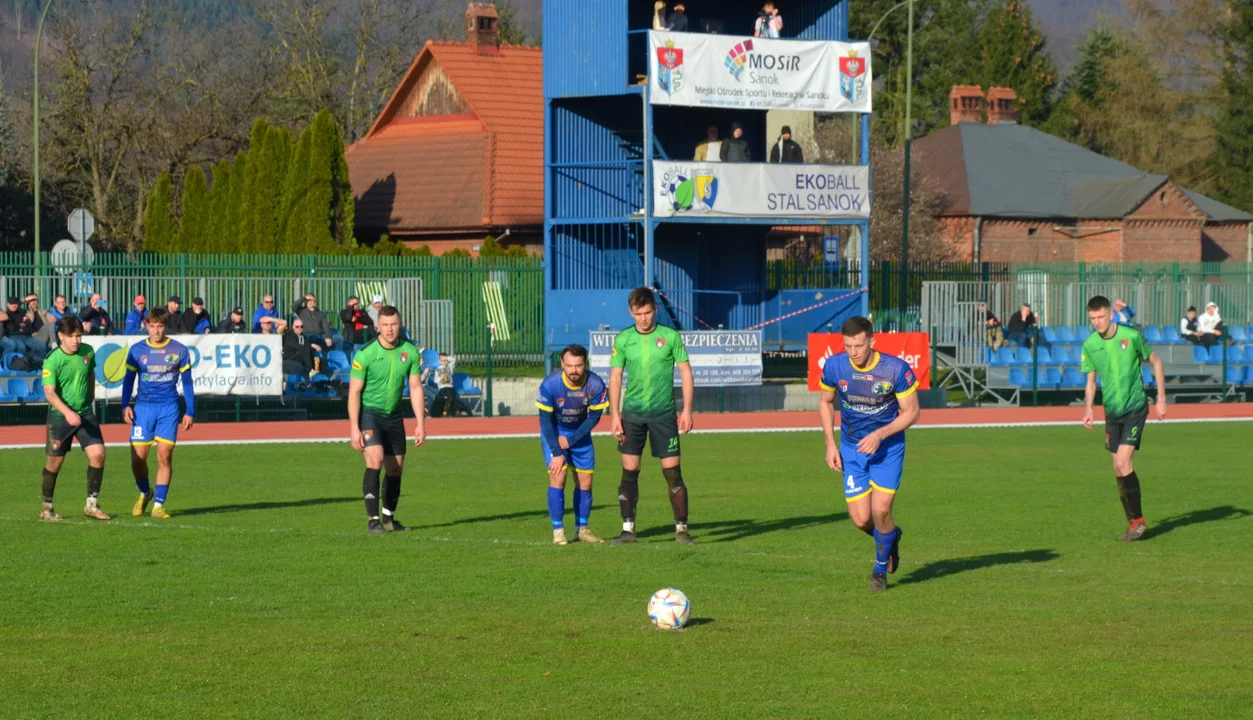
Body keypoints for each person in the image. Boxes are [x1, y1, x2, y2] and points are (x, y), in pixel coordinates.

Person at [817, 316, 921, 592]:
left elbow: (913, 412)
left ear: (872, 341)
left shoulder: (894, 369)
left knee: (881, 509)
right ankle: (890, 537)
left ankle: (879, 571)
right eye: (848, 345)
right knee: (862, 519)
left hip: (887, 449)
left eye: (859, 346)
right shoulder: (834, 365)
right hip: (851, 449)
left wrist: (879, 435)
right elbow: (826, 402)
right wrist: (830, 444)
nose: (854, 352)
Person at [608, 286, 695, 545]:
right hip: (632, 416)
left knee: (672, 472)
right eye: (638, 313)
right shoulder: (623, 339)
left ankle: (682, 530)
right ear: (631, 312)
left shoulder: (670, 337)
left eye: (647, 312)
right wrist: (614, 415)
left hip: (664, 415)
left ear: (655, 310)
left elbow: (686, 373)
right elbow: (615, 377)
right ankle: (628, 530)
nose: (643, 318)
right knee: (629, 471)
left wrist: (688, 410)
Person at [1081, 295, 1167, 541]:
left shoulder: (1130, 336)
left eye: (1100, 317)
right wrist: (1088, 409)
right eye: (1092, 318)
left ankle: (1138, 521)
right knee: (1118, 468)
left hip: (1135, 408)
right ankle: (1133, 523)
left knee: (1121, 462)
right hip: (1112, 412)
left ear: (1110, 314)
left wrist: (1161, 398)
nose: (1097, 322)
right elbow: (1090, 382)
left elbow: (1156, 362)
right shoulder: (1090, 345)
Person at [349, 305, 426, 534]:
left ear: (399, 324)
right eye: (386, 325)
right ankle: (373, 520)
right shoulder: (366, 354)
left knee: (395, 469)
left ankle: (389, 519)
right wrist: (354, 428)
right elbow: (354, 392)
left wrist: (421, 423)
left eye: (394, 324)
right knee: (375, 460)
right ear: (377, 327)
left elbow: (415, 387)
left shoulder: (410, 351)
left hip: (394, 416)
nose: (390, 329)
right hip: (370, 414)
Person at [120, 307, 195, 520]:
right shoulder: (136, 350)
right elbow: (128, 380)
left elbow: (187, 383)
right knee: (138, 459)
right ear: (146, 325)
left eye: (160, 326)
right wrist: (125, 405)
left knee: (164, 456)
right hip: (143, 409)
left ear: (166, 326)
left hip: (168, 409)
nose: (156, 331)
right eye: (152, 326)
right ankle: (145, 493)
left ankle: (159, 506)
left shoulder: (179, 350)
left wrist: (190, 411)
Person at [38, 316, 110, 523]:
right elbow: (49, 393)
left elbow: (89, 374)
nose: (76, 340)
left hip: (85, 413)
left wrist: (90, 398)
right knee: (55, 463)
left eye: (78, 335)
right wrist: (68, 413)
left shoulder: (88, 352)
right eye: (71, 336)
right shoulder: (52, 359)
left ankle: (92, 505)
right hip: (60, 417)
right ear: (61, 336)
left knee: (98, 454)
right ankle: (47, 507)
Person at [537, 344, 609, 545]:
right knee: (558, 477)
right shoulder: (550, 385)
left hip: (579, 435)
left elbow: (594, 417)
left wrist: (571, 440)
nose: (573, 371)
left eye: (578, 366)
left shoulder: (595, 384)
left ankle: (582, 529)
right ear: (562, 364)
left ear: (585, 364)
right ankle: (558, 531)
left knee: (586, 482)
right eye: (569, 366)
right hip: (554, 434)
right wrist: (557, 450)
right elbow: (545, 422)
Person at [0, 295, 48, 362]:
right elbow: (11, 327)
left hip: (26, 336)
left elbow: (28, 325)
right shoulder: (6, 314)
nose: (13, 305)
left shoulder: (22, 311)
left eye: (15, 304)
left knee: (42, 347)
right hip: (13, 336)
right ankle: (19, 364)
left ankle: (35, 362)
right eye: (11, 304)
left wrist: (26, 299)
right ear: (8, 305)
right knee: (21, 347)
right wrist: (20, 325)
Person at [424, 352, 469, 417]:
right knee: (449, 396)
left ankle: (455, 411)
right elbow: (435, 380)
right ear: (440, 361)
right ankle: (446, 412)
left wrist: (445, 357)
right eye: (443, 361)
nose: (445, 362)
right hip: (443, 387)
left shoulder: (449, 367)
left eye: (446, 360)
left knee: (454, 397)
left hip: (450, 386)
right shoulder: (438, 369)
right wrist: (440, 378)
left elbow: (454, 360)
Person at [293, 292, 334, 363]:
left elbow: (326, 326)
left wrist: (328, 337)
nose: (311, 302)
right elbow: (294, 306)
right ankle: (313, 360)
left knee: (339, 339)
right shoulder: (301, 311)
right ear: (306, 302)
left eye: (313, 300)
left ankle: (334, 358)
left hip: (321, 334)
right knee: (311, 337)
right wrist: (304, 297)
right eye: (309, 300)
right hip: (308, 334)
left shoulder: (320, 313)